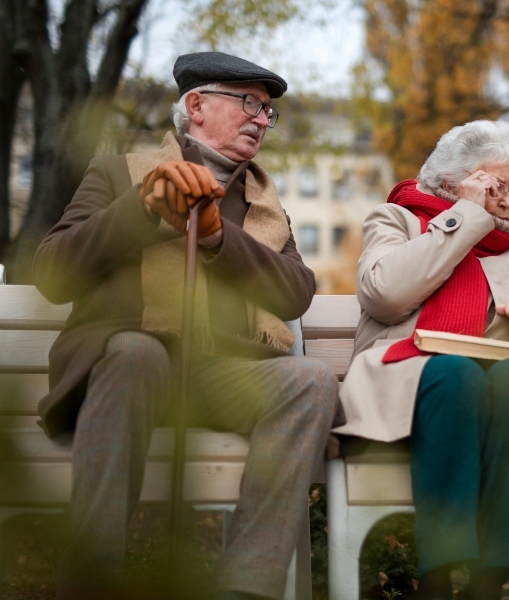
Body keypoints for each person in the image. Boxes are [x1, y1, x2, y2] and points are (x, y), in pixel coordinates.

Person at [32, 52, 339, 600]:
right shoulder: (118, 173)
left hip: (224, 374)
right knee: (134, 351)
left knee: (311, 380)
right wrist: (144, 208)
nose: (261, 120)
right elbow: (54, 274)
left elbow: (296, 292)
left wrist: (222, 237)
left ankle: (247, 587)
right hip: (130, 369)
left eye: (268, 112)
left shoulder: (264, 205)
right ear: (195, 105)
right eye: (249, 103)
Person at [333, 120, 509, 600]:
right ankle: (437, 578)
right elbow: (386, 295)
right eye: (494, 186)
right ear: (453, 185)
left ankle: (488, 583)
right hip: (407, 394)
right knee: (455, 373)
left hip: (495, 408)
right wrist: (467, 217)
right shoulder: (397, 220)